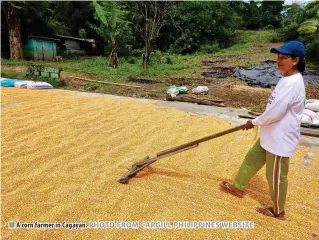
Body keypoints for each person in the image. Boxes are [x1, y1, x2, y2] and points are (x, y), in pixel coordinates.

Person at [220, 40, 306, 220]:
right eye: (278, 57)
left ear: (296, 60)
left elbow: (275, 113)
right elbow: (273, 109)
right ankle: (238, 187)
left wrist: (254, 122)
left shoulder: (293, 83)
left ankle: (278, 211)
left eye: (283, 58)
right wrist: (259, 122)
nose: (279, 60)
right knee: (251, 159)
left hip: (280, 139)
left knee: (275, 176)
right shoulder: (286, 79)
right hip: (269, 133)